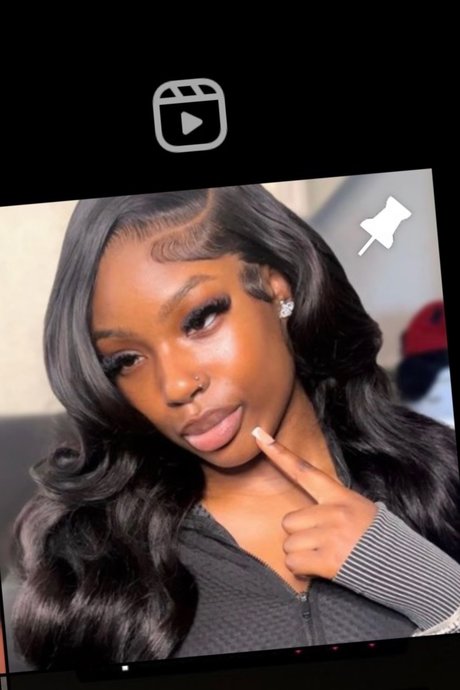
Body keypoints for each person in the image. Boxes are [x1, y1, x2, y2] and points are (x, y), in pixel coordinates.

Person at [8, 185, 460, 671]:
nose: (175, 385)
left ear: (277, 285)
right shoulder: (82, 575)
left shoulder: (441, 480)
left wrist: (425, 582)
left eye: (199, 319)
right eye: (126, 359)